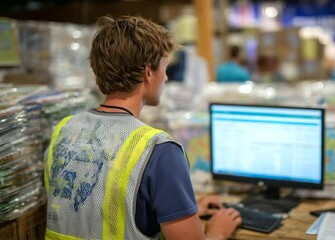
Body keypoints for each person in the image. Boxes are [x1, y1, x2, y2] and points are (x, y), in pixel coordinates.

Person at [43, 15, 241, 240]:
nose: (166, 77)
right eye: (165, 67)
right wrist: (218, 232)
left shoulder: (64, 130)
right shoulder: (159, 150)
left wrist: (180, 209)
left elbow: (94, 207)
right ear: (148, 72)